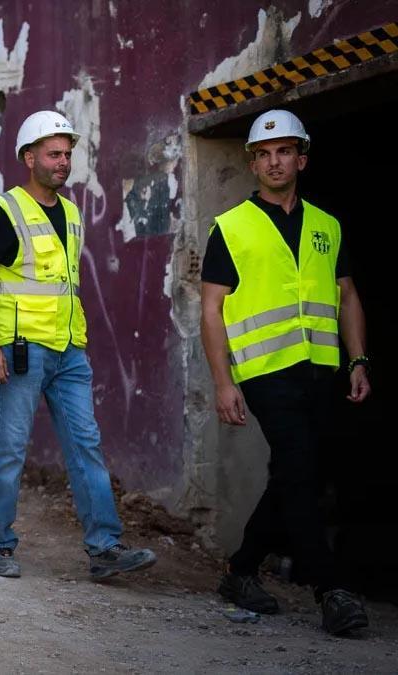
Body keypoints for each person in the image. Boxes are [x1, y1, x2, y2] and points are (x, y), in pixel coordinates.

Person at [200, 109, 371, 636]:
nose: (274, 161)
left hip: (322, 370)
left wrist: (358, 358)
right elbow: (211, 309)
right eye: (263, 154)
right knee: (299, 465)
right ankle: (331, 589)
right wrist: (224, 382)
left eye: (284, 151)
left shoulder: (327, 225)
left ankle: (242, 567)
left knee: (300, 473)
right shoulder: (231, 227)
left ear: (302, 158)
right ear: (253, 163)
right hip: (266, 372)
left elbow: (346, 295)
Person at [0, 110, 156, 581]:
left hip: (70, 350)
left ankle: (104, 549)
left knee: (86, 445)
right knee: (10, 450)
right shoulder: (4, 210)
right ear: (28, 158)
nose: (63, 162)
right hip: (20, 352)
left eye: (67, 154)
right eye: (54, 154)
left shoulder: (71, 213)